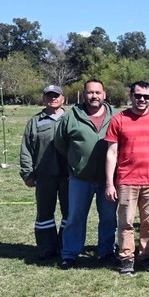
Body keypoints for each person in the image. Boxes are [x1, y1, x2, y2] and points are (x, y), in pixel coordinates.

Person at [104, 81, 149, 275]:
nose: (142, 100)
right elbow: (111, 153)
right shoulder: (119, 120)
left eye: (146, 97)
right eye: (138, 96)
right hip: (127, 180)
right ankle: (126, 258)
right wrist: (110, 183)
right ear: (131, 96)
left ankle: (145, 256)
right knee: (125, 221)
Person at [53, 79, 117, 269]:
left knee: (108, 218)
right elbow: (60, 143)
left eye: (98, 92)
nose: (94, 96)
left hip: (108, 180)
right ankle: (70, 253)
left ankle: (106, 251)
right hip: (80, 178)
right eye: (90, 92)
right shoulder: (71, 116)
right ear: (84, 94)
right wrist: (78, 162)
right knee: (75, 217)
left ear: (104, 94)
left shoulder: (116, 116)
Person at [20, 84, 69, 260]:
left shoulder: (71, 118)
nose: (52, 99)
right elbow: (26, 149)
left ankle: (66, 246)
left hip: (68, 175)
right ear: (43, 98)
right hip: (44, 175)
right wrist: (27, 173)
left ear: (63, 98)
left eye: (56, 95)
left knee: (69, 212)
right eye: (49, 96)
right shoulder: (35, 121)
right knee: (45, 213)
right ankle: (46, 247)